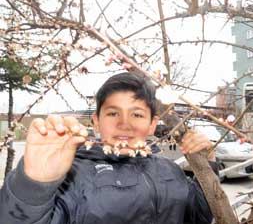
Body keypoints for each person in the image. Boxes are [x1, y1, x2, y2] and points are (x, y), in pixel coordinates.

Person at [0, 72, 218, 224]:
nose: (125, 124)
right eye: (113, 113)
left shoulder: (169, 169)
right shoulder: (74, 175)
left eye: (137, 114)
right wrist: (34, 184)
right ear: (96, 121)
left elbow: (200, 215)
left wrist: (208, 162)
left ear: (152, 124)